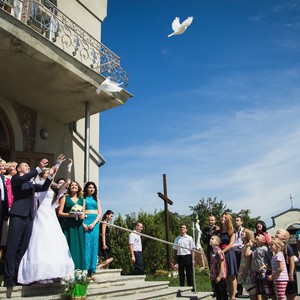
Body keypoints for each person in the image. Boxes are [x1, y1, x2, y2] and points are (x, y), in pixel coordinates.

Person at [18, 156, 74, 284]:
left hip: (50, 215)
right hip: (40, 214)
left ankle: (54, 272)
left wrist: (69, 168)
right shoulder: (37, 184)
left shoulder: (53, 188)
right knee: (40, 241)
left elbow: (67, 183)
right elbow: (49, 175)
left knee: (54, 241)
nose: (51, 174)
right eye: (48, 172)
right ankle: (38, 273)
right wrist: (57, 164)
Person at [4, 158, 52, 287]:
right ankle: (8, 276)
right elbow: (23, 179)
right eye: (25, 165)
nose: (27, 167)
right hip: (18, 215)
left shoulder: (30, 184)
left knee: (23, 248)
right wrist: (38, 168)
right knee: (12, 246)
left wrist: (50, 175)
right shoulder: (16, 179)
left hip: (29, 217)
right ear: (19, 169)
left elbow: (43, 188)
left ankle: (18, 276)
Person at [58, 181, 86, 270]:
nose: (74, 186)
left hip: (78, 226)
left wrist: (83, 216)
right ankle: (67, 269)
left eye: (76, 185)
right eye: (72, 185)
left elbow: (84, 213)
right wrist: (71, 215)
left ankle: (79, 269)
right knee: (68, 245)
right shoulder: (64, 198)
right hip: (67, 225)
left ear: (78, 188)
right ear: (69, 188)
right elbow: (59, 213)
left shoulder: (82, 200)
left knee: (79, 247)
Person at [246, 233, 274, 300]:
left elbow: (271, 259)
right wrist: (249, 245)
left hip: (264, 272)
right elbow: (247, 254)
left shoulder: (265, 249)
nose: (256, 236)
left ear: (263, 240)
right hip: (256, 272)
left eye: (258, 236)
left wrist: (267, 266)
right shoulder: (253, 248)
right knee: (260, 292)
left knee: (269, 291)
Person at [83, 181, 101, 277]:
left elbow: (99, 213)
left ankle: (92, 269)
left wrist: (94, 223)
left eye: (93, 188)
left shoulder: (96, 198)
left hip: (95, 223)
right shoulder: (83, 198)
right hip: (86, 221)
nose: (91, 189)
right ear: (86, 188)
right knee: (86, 245)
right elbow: (80, 211)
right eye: (90, 187)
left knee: (94, 245)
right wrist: (83, 224)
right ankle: (85, 268)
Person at [218, 213, 238, 300]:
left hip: (229, 253)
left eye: (225, 217)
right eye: (222, 217)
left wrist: (222, 251)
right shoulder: (219, 232)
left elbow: (231, 244)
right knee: (226, 277)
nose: (222, 218)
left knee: (232, 276)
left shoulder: (232, 231)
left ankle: (233, 296)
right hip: (221, 254)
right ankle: (229, 295)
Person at [275, 229, 298, 300]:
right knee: (287, 293)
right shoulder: (278, 247)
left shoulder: (287, 246)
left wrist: (291, 274)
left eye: (278, 233)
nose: (276, 234)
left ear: (284, 237)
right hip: (283, 275)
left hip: (289, 273)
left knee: (292, 295)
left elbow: (291, 260)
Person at [173, 224, 195, 289]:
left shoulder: (189, 238)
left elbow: (192, 249)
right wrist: (175, 259)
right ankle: (182, 287)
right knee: (181, 274)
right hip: (180, 257)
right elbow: (175, 249)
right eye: (181, 228)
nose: (182, 229)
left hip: (187, 256)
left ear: (186, 229)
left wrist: (193, 259)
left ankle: (191, 287)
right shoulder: (177, 238)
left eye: (184, 228)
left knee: (189, 273)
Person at [237, 229, 256, 299]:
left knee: (251, 289)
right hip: (243, 266)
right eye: (242, 232)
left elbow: (248, 258)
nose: (242, 233)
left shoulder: (248, 245)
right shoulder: (244, 245)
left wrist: (245, 270)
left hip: (247, 269)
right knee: (249, 289)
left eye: (244, 232)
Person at [210, 235, 228, 300]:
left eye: (212, 239)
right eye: (210, 238)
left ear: (217, 242)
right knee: (218, 294)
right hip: (215, 276)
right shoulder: (212, 251)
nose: (210, 240)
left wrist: (220, 276)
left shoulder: (218, 251)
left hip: (220, 276)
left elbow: (221, 264)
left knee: (222, 293)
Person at [233, 215, 244, 297]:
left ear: (241, 222)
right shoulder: (233, 231)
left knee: (243, 270)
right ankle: (239, 289)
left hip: (243, 252)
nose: (236, 222)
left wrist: (242, 245)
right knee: (237, 271)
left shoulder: (245, 231)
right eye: (235, 220)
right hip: (235, 252)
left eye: (238, 220)